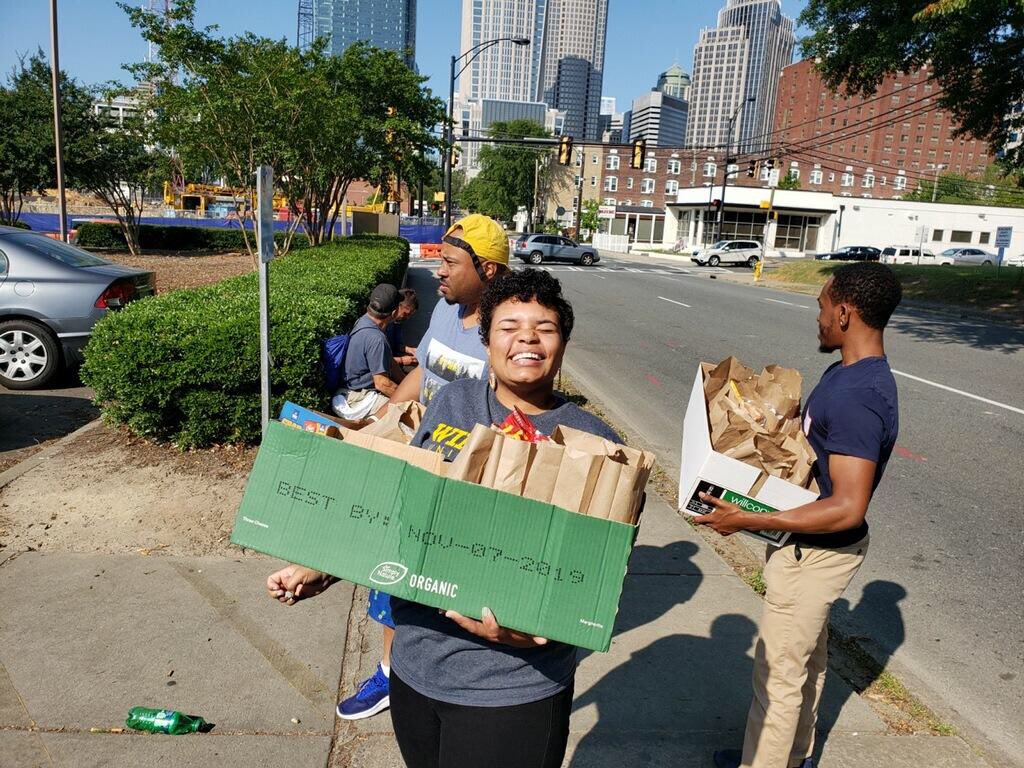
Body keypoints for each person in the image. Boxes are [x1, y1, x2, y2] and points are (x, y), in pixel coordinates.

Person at [267, 269, 618, 767]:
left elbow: (595, 582)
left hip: (509, 687)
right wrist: (324, 565)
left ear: (563, 342)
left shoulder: (597, 446)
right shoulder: (454, 401)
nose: (527, 338)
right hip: (416, 662)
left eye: (544, 327)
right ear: (487, 339)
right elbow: (407, 506)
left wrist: (533, 634)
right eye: (509, 325)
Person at [698, 261, 902, 768]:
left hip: (817, 553)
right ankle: (792, 758)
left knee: (779, 679)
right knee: (806, 665)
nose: (817, 316)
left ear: (846, 312)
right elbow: (816, 460)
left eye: (822, 306)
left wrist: (744, 520)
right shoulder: (847, 373)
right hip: (808, 545)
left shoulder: (860, 397)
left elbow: (848, 507)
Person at [343, 214, 511, 721]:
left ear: (488, 270)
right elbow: (425, 370)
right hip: (421, 454)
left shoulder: (505, 330)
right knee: (389, 570)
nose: (439, 272)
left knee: (445, 584)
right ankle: (391, 672)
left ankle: (451, 679)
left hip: (467, 477)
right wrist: (391, 416)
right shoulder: (444, 309)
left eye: (450, 263)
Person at [330, 283, 401, 422]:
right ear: (394, 313)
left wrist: (406, 381)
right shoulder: (377, 339)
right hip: (356, 399)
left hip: (345, 392)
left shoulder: (362, 321)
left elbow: (389, 361)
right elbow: (382, 384)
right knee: (406, 413)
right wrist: (409, 398)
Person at [387, 288, 419, 370]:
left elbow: (397, 345)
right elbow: (379, 361)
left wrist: (410, 350)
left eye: (410, 315)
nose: (407, 318)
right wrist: (401, 360)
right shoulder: (381, 326)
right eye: (405, 313)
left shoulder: (397, 322)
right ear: (397, 306)